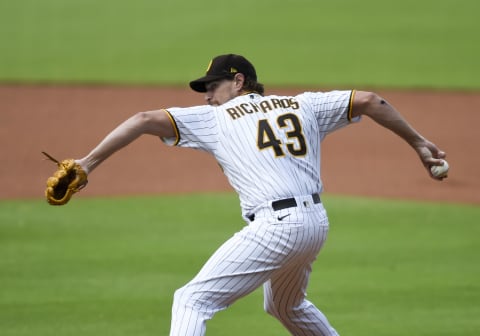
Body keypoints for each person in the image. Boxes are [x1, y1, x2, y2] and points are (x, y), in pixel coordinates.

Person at [74, 54, 446, 335]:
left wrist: (88, 163)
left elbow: (141, 120)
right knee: (287, 306)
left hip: (277, 226)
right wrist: (418, 143)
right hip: (315, 224)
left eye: (212, 87)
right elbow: (369, 100)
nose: (207, 97)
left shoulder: (217, 118)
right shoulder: (304, 104)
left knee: (192, 300)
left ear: (238, 81)